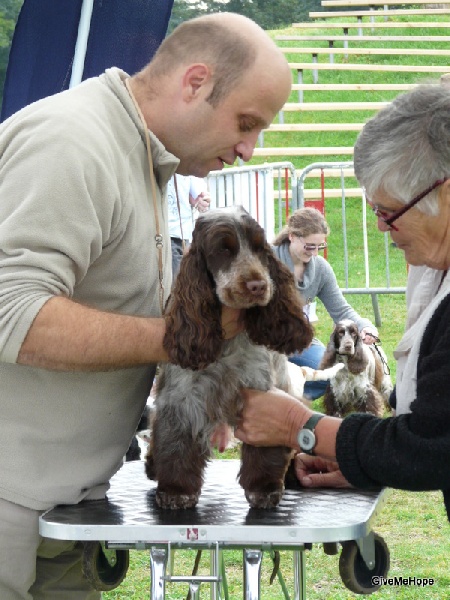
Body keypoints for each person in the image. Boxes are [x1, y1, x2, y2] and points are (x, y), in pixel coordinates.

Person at [0, 12, 292, 599]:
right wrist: (190, 339)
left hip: (65, 506)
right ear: (196, 82)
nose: (247, 148)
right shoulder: (73, 142)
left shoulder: (145, 158)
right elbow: (12, 311)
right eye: (246, 122)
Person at [234, 82, 450, 525]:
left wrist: (302, 426)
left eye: (388, 212)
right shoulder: (433, 266)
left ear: (444, 192)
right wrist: (360, 459)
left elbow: (432, 444)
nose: (381, 229)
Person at [272, 207, 379, 400]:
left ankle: (287, 400)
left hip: (299, 342)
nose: (314, 253)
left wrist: (366, 327)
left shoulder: (321, 269)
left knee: (331, 373)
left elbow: (341, 310)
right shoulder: (266, 261)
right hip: (262, 343)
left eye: (319, 246)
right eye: (309, 246)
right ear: (292, 236)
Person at [168, 174, 210, 278]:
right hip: (166, 234)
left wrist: (201, 200)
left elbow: (199, 196)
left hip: (183, 233)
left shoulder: (188, 164)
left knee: (182, 282)